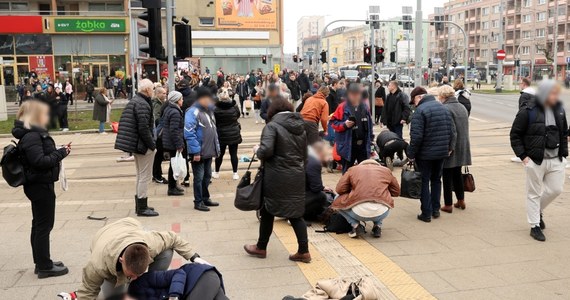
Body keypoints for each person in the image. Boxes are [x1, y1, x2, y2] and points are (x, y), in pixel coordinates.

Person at [60, 218, 201, 299]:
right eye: (131, 275)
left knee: (167, 251)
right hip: (103, 238)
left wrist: (195, 258)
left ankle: (149, 281)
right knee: (115, 297)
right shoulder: (98, 264)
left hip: (130, 226)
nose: (134, 278)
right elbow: (87, 293)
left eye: (138, 275)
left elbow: (173, 237)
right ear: (122, 260)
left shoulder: (150, 243)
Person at [244, 97, 310, 263]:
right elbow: (305, 156)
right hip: (296, 175)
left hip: (276, 177)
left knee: (267, 209)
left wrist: (257, 149)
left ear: (273, 111)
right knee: (295, 213)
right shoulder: (301, 128)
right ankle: (303, 251)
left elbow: (266, 151)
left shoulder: (272, 126)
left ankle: (261, 247)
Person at [12, 101, 71, 278]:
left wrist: (58, 151)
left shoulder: (31, 134)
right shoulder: (32, 136)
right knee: (44, 226)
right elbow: (39, 161)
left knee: (39, 224)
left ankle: (41, 261)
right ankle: (44, 266)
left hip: (38, 184)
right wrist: (60, 153)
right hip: (40, 185)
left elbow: (40, 157)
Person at [510, 80, 568, 242]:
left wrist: (563, 154)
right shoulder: (527, 111)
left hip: (556, 158)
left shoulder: (559, 110)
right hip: (535, 159)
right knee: (533, 193)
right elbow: (515, 135)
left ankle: (537, 210)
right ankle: (534, 225)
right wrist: (523, 157)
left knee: (555, 190)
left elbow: (563, 133)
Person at [407, 87, 456, 223]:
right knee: (436, 180)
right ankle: (435, 209)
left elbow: (416, 137)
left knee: (424, 181)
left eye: (414, 101)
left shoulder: (420, 111)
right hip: (441, 153)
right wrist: (450, 147)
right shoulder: (444, 108)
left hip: (425, 154)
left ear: (418, 98)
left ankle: (426, 213)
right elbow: (453, 131)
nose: (414, 105)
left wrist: (411, 154)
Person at [115, 79, 159, 217]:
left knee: (141, 175)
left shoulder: (136, 101)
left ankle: (141, 204)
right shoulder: (142, 104)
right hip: (142, 146)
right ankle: (142, 206)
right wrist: (152, 145)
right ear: (147, 90)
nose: (153, 91)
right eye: (152, 89)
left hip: (136, 144)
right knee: (145, 176)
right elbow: (143, 128)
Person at [332, 159, 400, 238]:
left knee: (337, 198)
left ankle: (356, 225)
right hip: (382, 213)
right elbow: (396, 192)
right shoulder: (386, 171)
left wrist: (353, 189)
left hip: (357, 213)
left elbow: (340, 190)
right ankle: (377, 227)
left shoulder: (353, 169)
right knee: (384, 198)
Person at [184, 88, 220, 212]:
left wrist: (216, 148)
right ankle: (198, 201)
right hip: (199, 152)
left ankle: (205, 197)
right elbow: (189, 133)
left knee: (207, 176)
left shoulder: (208, 111)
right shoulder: (193, 112)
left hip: (208, 151)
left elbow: (213, 131)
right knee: (199, 178)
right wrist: (195, 152)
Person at [438, 85, 471, 213]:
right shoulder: (461, 107)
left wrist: (449, 147)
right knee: (457, 173)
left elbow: (451, 131)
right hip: (463, 145)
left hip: (451, 146)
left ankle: (448, 204)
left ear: (443, 96)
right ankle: (461, 200)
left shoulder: (446, 108)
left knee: (446, 175)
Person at [330, 83, 373, 173]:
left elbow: (369, 125)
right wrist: (345, 125)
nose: (355, 96)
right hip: (348, 146)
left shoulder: (365, 107)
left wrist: (371, 140)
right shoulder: (342, 107)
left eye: (357, 94)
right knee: (347, 173)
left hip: (363, 146)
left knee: (364, 172)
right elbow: (333, 123)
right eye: (352, 94)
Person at [128, 263, 227, 300]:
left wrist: (174, 296)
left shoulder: (138, 285)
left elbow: (179, 273)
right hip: (206, 284)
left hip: (199, 276)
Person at [213, 90, 242, 180]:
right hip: (233, 132)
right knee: (233, 154)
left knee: (220, 154)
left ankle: (217, 172)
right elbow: (238, 115)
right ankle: (235, 173)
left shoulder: (216, 109)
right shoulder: (234, 107)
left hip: (221, 133)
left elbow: (214, 120)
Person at [161, 91, 186, 196]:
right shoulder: (175, 112)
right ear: (176, 100)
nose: (182, 100)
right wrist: (179, 145)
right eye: (181, 99)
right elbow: (174, 130)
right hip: (172, 142)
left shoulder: (170, 109)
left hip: (169, 141)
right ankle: (171, 188)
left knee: (173, 164)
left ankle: (174, 185)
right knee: (174, 165)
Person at [304, 141, 331, 222]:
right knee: (322, 196)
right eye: (327, 153)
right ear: (320, 152)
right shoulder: (314, 162)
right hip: (296, 200)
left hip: (286, 197)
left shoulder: (307, 157)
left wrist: (322, 187)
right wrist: (322, 188)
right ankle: (300, 215)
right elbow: (316, 188)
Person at [152, 87, 168, 184]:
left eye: (165, 93)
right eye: (163, 93)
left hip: (158, 133)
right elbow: (157, 119)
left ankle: (156, 174)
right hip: (159, 134)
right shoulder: (157, 104)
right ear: (157, 94)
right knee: (158, 155)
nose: (165, 95)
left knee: (158, 155)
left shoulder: (159, 103)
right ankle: (157, 175)